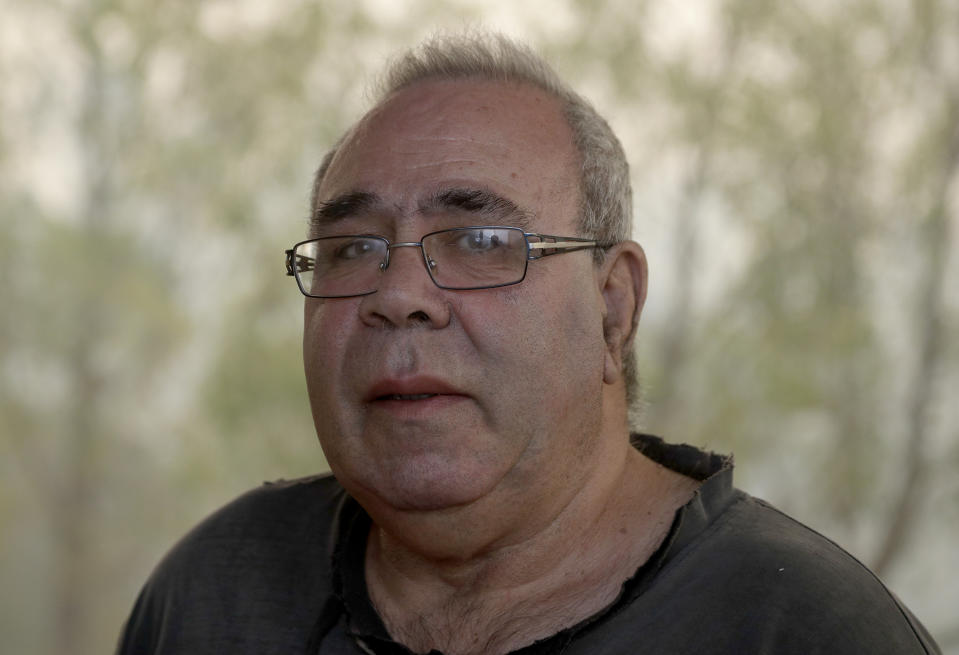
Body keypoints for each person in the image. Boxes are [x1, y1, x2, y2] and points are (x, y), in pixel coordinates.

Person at [116, 33, 941, 655]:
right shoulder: (217, 595)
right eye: (353, 248)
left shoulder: (794, 626)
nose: (397, 296)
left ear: (612, 309)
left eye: (478, 240)